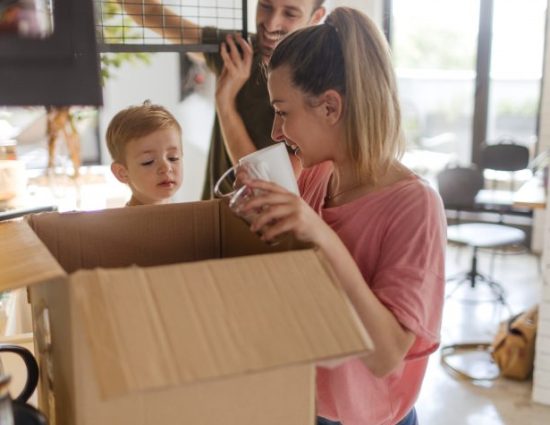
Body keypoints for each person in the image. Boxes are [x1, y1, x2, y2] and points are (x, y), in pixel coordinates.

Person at [239, 7, 446, 425]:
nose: (277, 131)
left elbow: (386, 356)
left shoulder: (415, 207)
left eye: (283, 111)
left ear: (330, 107)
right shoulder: (316, 176)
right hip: (306, 404)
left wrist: (319, 234)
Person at [119, 0, 326, 198]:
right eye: (265, 5)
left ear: (316, 17)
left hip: (255, 228)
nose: (271, 24)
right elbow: (150, 13)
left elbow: (271, 186)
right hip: (211, 214)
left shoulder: (316, 85)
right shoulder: (239, 50)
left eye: (290, 13)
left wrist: (225, 102)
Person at [106, 100, 183, 206]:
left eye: (173, 158)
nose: (166, 168)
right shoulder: (122, 222)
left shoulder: (190, 217)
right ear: (122, 173)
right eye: (148, 162)